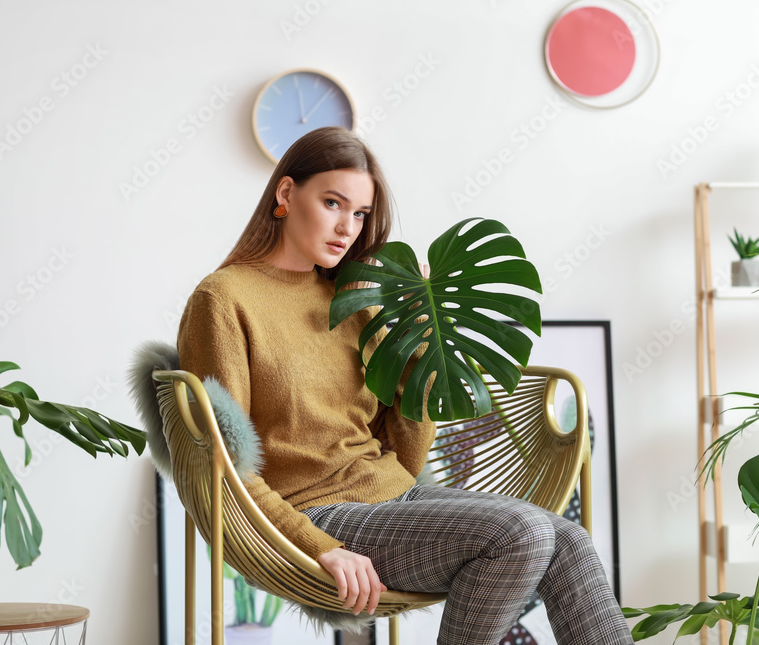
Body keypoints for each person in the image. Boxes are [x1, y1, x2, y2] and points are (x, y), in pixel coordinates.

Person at [177, 126, 633, 645]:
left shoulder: (353, 298)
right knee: (521, 535)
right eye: (332, 202)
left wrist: (413, 325)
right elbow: (223, 464)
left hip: (396, 494)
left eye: (360, 214)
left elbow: (409, 452)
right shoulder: (224, 299)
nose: (347, 226)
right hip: (316, 512)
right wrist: (317, 543)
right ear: (285, 194)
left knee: (567, 538)